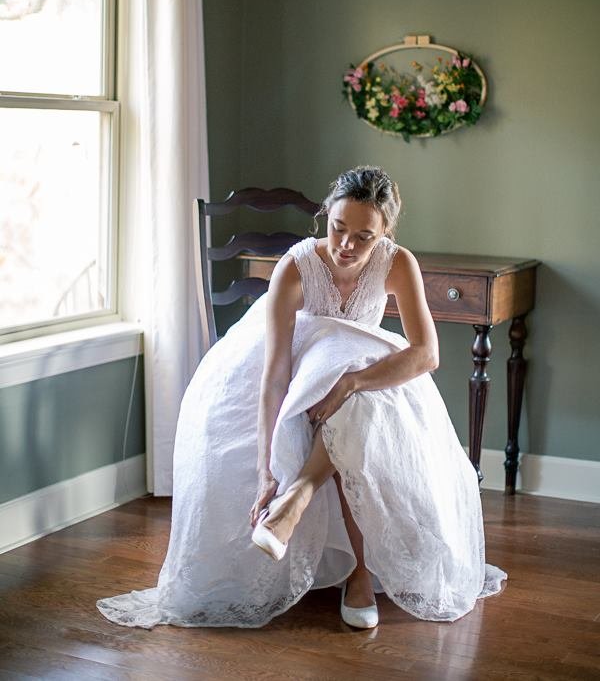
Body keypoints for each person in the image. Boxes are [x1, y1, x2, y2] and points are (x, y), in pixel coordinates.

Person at [97, 165, 507, 630]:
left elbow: (426, 354)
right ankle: (337, 553)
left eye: (364, 237)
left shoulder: (397, 263)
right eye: (338, 229)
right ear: (325, 216)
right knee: (346, 401)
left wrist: (350, 383)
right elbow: (274, 375)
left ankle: (307, 512)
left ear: (385, 234)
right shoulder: (295, 266)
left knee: (359, 404)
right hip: (293, 377)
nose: (347, 246)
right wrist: (265, 468)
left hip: (354, 381)